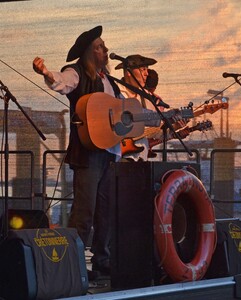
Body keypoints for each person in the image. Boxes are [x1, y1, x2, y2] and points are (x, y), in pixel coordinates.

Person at [32, 25, 122, 279]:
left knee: (107, 211)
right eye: (99, 46)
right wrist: (46, 73)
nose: (105, 50)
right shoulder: (77, 73)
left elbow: (121, 116)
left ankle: (103, 260)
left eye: (104, 46)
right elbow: (61, 83)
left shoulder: (111, 82)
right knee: (85, 211)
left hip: (111, 153)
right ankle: (74, 263)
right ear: (88, 53)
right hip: (89, 153)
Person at [114, 54, 161, 161]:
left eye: (147, 70)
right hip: (119, 158)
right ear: (128, 72)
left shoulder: (147, 97)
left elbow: (155, 130)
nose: (147, 74)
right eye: (143, 69)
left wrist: (174, 128)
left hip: (141, 158)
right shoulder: (114, 92)